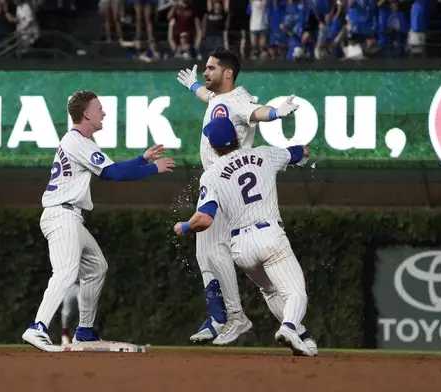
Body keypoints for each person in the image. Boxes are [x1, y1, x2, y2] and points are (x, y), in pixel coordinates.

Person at [22, 90, 175, 352]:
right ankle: (38, 327)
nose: (103, 112)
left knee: (96, 267)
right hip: (62, 214)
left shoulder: (80, 142)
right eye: (99, 108)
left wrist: (141, 159)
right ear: (86, 114)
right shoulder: (76, 141)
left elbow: (110, 170)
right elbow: (113, 174)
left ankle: (85, 331)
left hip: (70, 216)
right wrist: (152, 168)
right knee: (66, 272)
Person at [175, 48, 299, 345]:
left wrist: (275, 113)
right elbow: (211, 98)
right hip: (216, 182)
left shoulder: (240, 98)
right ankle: (221, 317)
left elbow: (255, 112)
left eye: (211, 68)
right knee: (204, 254)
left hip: (227, 183)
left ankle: (234, 317)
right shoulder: (219, 97)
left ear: (227, 73)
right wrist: (193, 86)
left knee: (216, 253)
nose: (206, 72)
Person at [173, 116, 318, 357]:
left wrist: (185, 226)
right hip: (269, 235)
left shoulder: (211, 174)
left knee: (270, 291)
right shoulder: (264, 155)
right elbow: (299, 152)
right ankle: (290, 327)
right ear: (237, 138)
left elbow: (205, 219)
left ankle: (303, 338)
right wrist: (303, 152)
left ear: (212, 146)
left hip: (241, 246)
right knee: (295, 293)